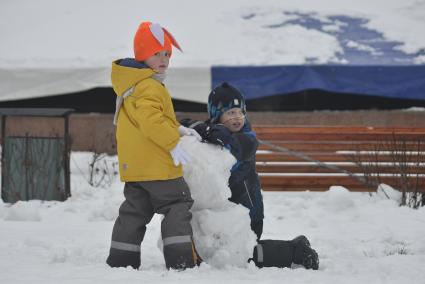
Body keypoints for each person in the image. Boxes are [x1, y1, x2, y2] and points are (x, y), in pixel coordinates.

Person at [181, 82, 319, 270]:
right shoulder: (214, 132)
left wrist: (209, 131)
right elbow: (183, 123)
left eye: (240, 112)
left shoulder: (247, 139)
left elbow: (230, 145)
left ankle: (295, 250)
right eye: (230, 113)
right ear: (216, 115)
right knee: (223, 252)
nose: (237, 118)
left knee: (245, 255)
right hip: (224, 212)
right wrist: (201, 128)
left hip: (248, 212)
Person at [106, 21, 202, 270]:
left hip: (137, 167)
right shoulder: (149, 85)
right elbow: (151, 121)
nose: (163, 59)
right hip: (157, 165)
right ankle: (180, 260)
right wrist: (172, 141)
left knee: (134, 211)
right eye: (156, 53)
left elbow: (150, 118)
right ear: (141, 54)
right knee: (177, 205)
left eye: (167, 54)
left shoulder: (132, 84)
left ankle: (121, 259)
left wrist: (177, 127)